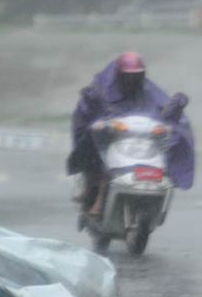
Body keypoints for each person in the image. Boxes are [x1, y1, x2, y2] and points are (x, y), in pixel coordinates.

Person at [66, 52, 195, 222]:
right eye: (128, 76)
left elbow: (162, 109)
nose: (132, 80)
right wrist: (98, 123)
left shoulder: (148, 91)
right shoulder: (103, 89)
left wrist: (171, 120)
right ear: (119, 75)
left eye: (137, 76)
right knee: (93, 151)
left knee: (166, 151)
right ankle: (92, 191)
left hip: (138, 138)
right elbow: (90, 110)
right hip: (108, 136)